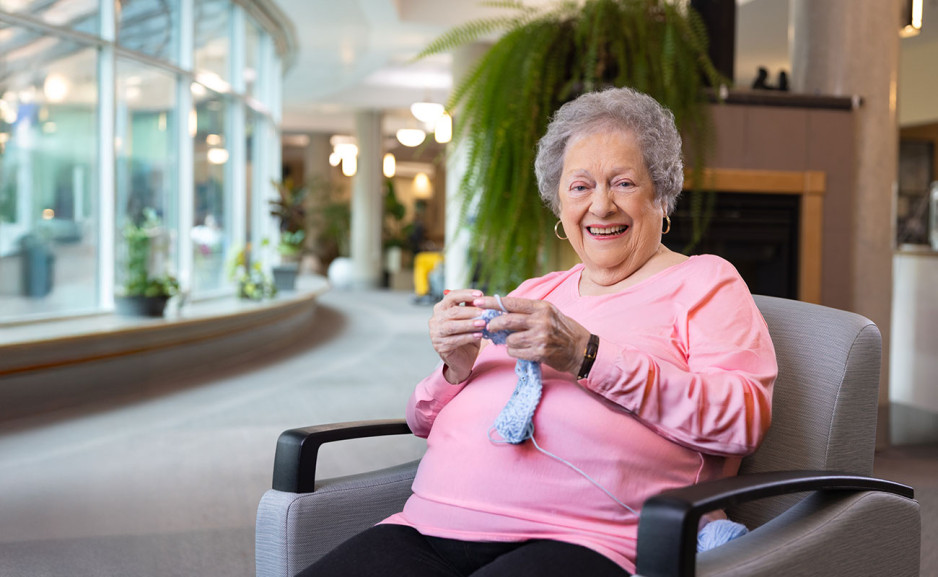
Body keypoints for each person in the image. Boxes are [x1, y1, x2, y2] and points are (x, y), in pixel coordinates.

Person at [299, 87, 778, 576]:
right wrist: (454, 368)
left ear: (661, 190)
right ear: (559, 204)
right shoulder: (538, 289)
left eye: (624, 183)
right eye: (580, 186)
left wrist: (587, 355)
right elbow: (422, 422)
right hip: (426, 527)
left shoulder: (704, 281)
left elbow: (741, 418)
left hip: (585, 541)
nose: (602, 205)